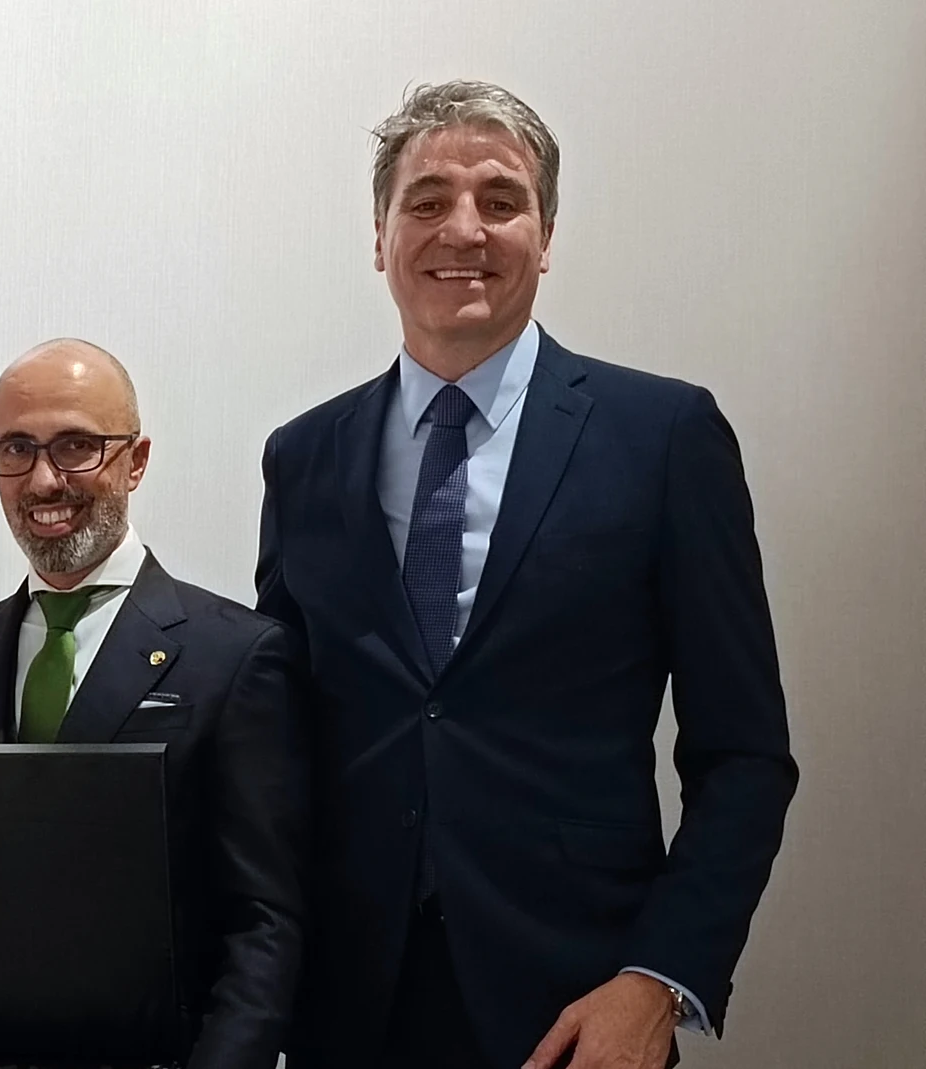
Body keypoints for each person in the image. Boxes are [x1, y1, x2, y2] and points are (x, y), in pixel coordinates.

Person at [255, 81, 799, 1069]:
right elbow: (280, 738)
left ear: (545, 235)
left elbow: (744, 756)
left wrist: (658, 980)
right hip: (345, 1010)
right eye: (425, 200)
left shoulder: (664, 438)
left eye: (499, 200)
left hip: (575, 1009)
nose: (461, 228)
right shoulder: (303, 458)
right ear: (379, 236)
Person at [0, 339, 306, 1069]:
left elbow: (263, 924)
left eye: (77, 446)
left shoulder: (237, 656)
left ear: (137, 458)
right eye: (18, 447)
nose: (44, 478)